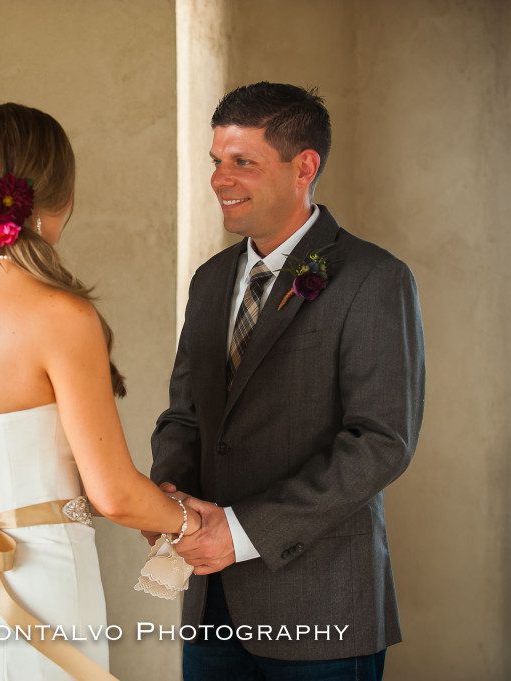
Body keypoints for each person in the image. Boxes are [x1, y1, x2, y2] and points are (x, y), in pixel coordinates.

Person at [149, 82, 426, 680]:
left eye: (242, 162)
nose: (220, 179)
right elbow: (185, 414)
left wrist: (243, 532)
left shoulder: (374, 277)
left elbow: (382, 442)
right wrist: (167, 498)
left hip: (320, 608)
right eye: (216, 161)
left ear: (305, 167)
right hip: (209, 605)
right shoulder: (210, 280)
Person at [0, 103, 203, 680]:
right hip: (37, 597)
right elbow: (115, 492)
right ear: (62, 191)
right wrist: (192, 523)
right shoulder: (59, 314)